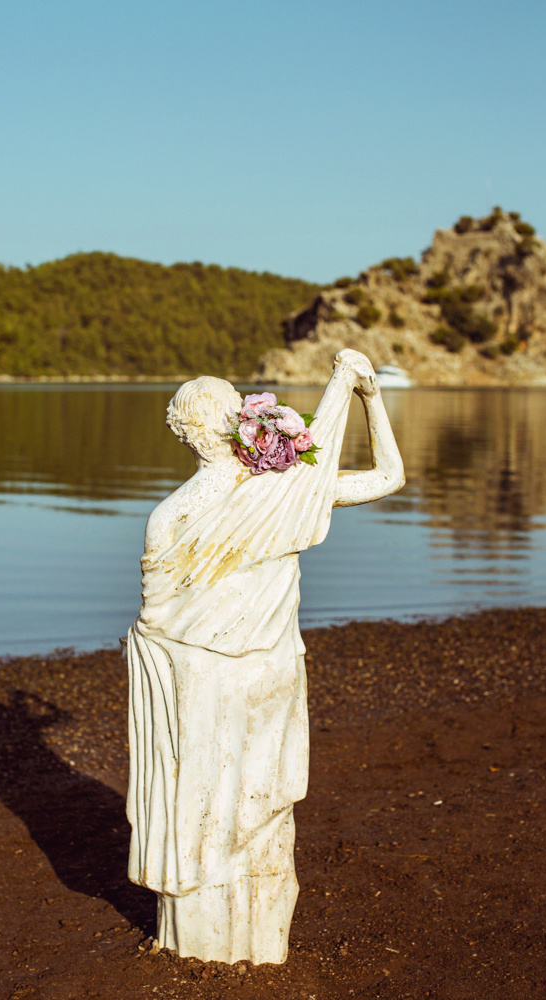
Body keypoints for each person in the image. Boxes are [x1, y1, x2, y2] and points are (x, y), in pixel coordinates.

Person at [126, 349, 404, 964]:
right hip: (267, 669)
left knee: (199, 804)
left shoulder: (169, 516)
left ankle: (199, 939)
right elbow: (389, 477)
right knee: (260, 805)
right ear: (240, 424)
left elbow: (155, 622)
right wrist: (368, 397)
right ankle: (254, 941)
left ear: (184, 433)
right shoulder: (282, 492)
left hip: (198, 680)